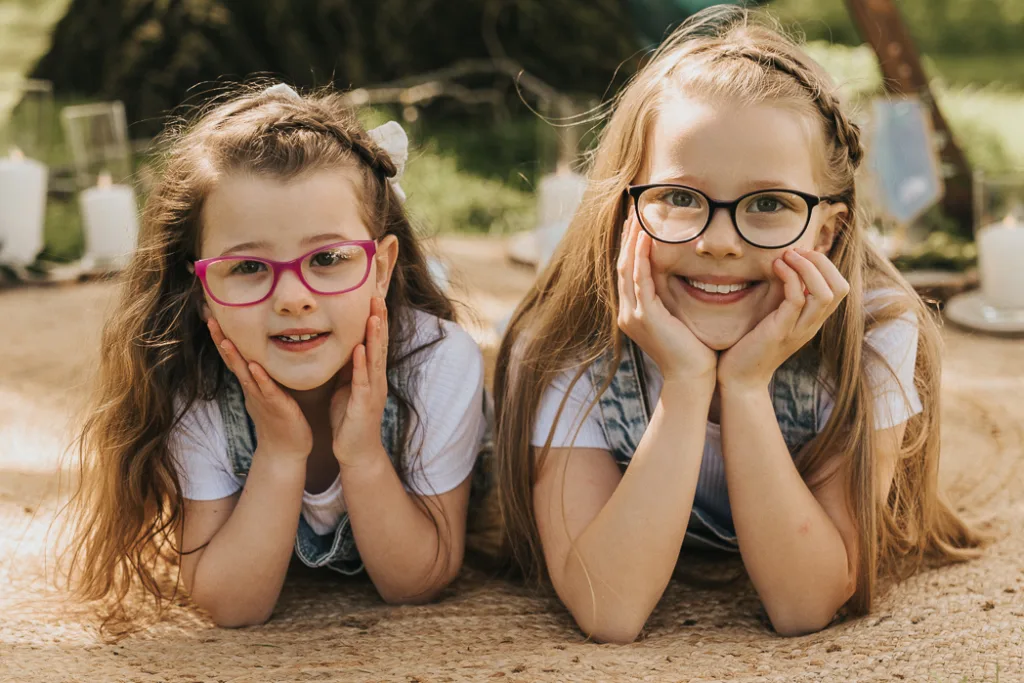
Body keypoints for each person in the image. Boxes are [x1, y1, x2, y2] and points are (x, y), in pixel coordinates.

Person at [493, 7, 983, 643]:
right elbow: (608, 609)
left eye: (770, 204)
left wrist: (747, 387)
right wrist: (688, 383)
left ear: (828, 231)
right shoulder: (568, 342)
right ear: (625, 210)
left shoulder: (873, 334)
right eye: (679, 198)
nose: (720, 243)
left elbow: (803, 604)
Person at [62, 83, 488, 634]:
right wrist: (281, 453)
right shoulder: (194, 381)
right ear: (199, 290)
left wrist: (361, 454)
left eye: (329, 258)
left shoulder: (437, 362)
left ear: (380, 269)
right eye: (247, 268)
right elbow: (232, 605)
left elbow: (415, 582)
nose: (293, 297)